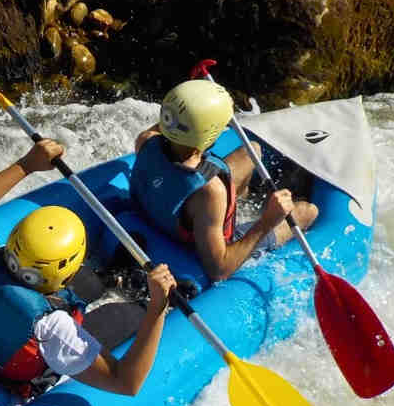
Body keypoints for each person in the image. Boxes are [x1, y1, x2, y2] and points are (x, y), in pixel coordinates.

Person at [0, 138, 176, 400]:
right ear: (66, 275)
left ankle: (112, 279)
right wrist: (157, 309)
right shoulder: (54, 328)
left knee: (90, 284)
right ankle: (138, 299)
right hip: (6, 372)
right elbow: (126, 383)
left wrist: (27, 164)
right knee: (129, 314)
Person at [128, 79, 318, 282]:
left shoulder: (146, 140)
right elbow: (218, 269)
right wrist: (267, 220)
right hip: (196, 236)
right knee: (308, 211)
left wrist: (195, 97)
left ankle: (239, 199)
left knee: (252, 150)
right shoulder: (211, 192)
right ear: (208, 134)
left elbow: (176, 122)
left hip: (164, 207)